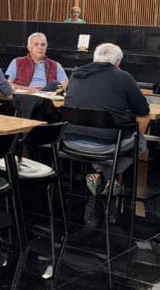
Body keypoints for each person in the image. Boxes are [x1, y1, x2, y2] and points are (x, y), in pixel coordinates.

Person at [63, 42, 149, 219]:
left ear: (95, 59)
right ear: (117, 62)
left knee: (105, 137)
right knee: (139, 142)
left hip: (69, 143)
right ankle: (109, 178)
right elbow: (142, 109)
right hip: (105, 146)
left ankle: (99, 175)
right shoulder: (123, 77)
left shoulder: (76, 75)